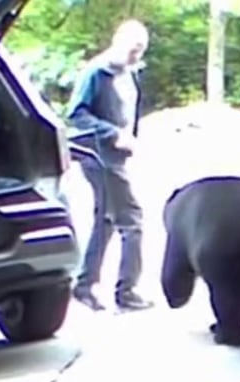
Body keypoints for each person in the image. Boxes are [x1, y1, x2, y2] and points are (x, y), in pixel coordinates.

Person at [66, 19, 153, 312]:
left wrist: (129, 139)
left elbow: (129, 112)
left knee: (105, 218)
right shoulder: (96, 72)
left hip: (115, 155)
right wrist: (113, 134)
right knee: (132, 218)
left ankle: (84, 284)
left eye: (141, 50)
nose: (136, 56)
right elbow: (75, 115)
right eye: (133, 49)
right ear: (118, 41)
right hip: (97, 154)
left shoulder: (130, 73)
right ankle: (127, 291)